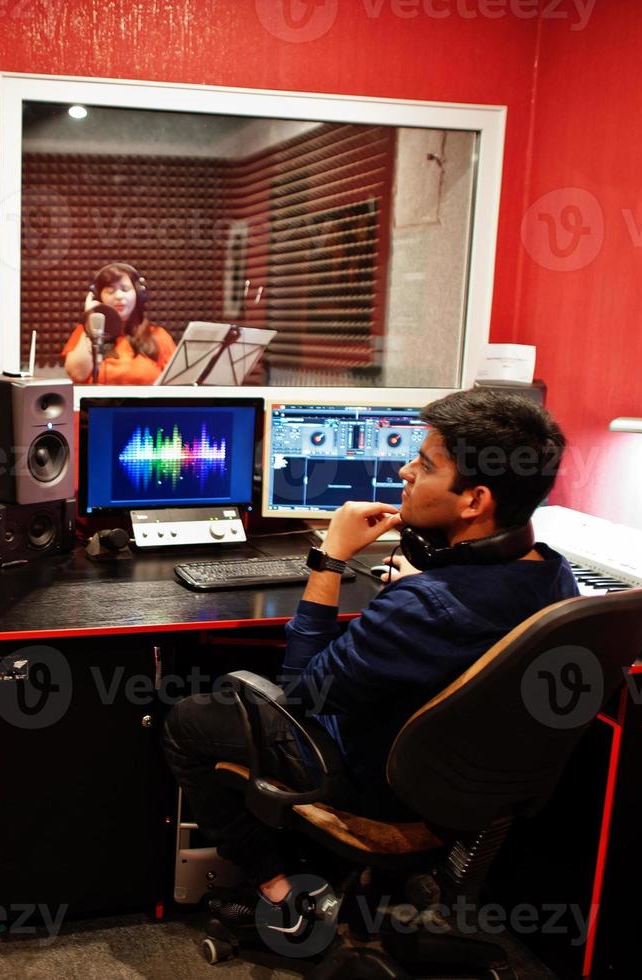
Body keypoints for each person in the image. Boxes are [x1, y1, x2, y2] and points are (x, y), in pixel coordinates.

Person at [162, 388, 579, 929]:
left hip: (380, 783)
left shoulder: (424, 606)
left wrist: (329, 558)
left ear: (474, 501)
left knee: (189, 720)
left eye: (425, 465)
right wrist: (431, 585)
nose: (405, 470)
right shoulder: (553, 573)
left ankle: (278, 894)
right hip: (470, 787)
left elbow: (303, 694)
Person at [62, 262, 177, 384]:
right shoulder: (87, 332)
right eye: (110, 291)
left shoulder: (158, 336)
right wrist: (91, 321)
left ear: (138, 294)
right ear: (99, 297)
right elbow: (77, 374)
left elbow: (178, 384)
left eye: (125, 289)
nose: (119, 296)